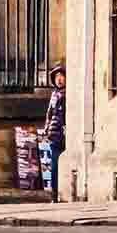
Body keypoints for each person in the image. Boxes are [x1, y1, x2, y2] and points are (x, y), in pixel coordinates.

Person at [43, 66, 67, 203]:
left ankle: (60, 191)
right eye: (56, 77)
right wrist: (47, 128)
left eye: (61, 76)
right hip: (55, 133)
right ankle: (54, 193)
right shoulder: (54, 94)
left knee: (58, 164)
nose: (59, 79)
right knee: (54, 165)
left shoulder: (68, 94)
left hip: (64, 132)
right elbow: (49, 113)